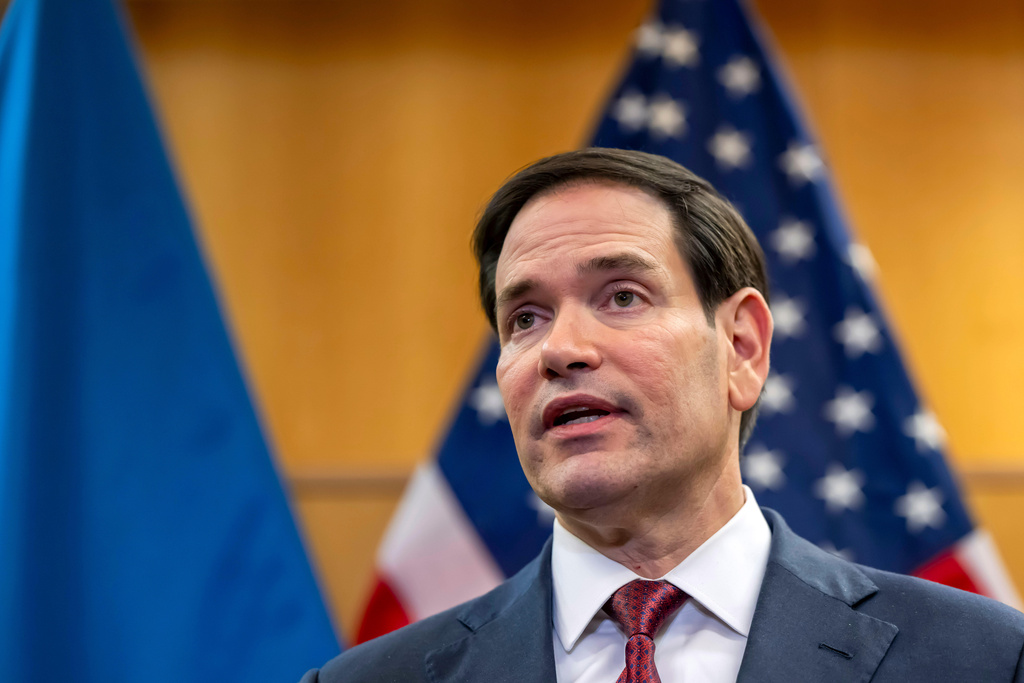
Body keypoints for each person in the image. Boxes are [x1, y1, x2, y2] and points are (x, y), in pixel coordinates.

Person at [302, 149, 1024, 682]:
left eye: (622, 296)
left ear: (741, 347)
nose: (560, 348)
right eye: (524, 317)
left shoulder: (982, 659)